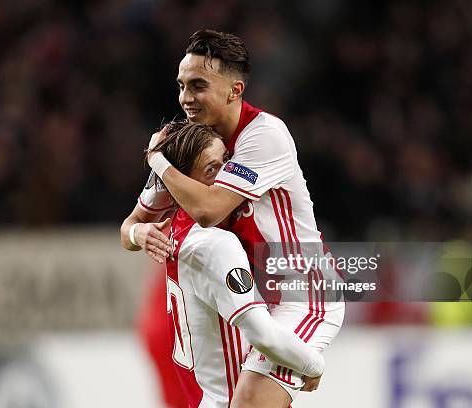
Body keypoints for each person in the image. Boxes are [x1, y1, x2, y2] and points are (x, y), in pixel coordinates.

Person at [139, 29, 345, 407]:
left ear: (234, 91)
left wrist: (158, 161)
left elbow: (208, 210)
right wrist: (140, 233)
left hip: (303, 293)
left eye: (198, 85)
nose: (185, 97)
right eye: (182, 85)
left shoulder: (264, 135)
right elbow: (130, 226)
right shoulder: (191, 145)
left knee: (248, 402)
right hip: (253, 301)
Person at [151, 120, 325, 408]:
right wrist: (313, 364)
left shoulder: (177, 233)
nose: (226, 177)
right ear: (183, 183)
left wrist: (133, 230)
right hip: (235, 398)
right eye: (211, 170)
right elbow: (262, 332)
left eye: (227, 161)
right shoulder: (216, 245)